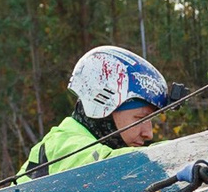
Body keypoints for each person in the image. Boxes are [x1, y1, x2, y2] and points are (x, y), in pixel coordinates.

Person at [18, 46, 182, 179]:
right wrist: (185, 152)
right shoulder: (63, 144)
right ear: (103, 111)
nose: (148, 133)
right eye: (140, 118)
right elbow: (110, 165)